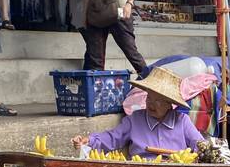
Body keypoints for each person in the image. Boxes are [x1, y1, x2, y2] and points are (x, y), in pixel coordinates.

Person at [72, 67, 203, 158]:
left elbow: (200, 145)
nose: (150, 103)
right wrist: (88, 141)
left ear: (169, 104)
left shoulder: (182, 121)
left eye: (157, 100)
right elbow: (112, 137)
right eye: (149, 97)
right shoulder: (135, 120)